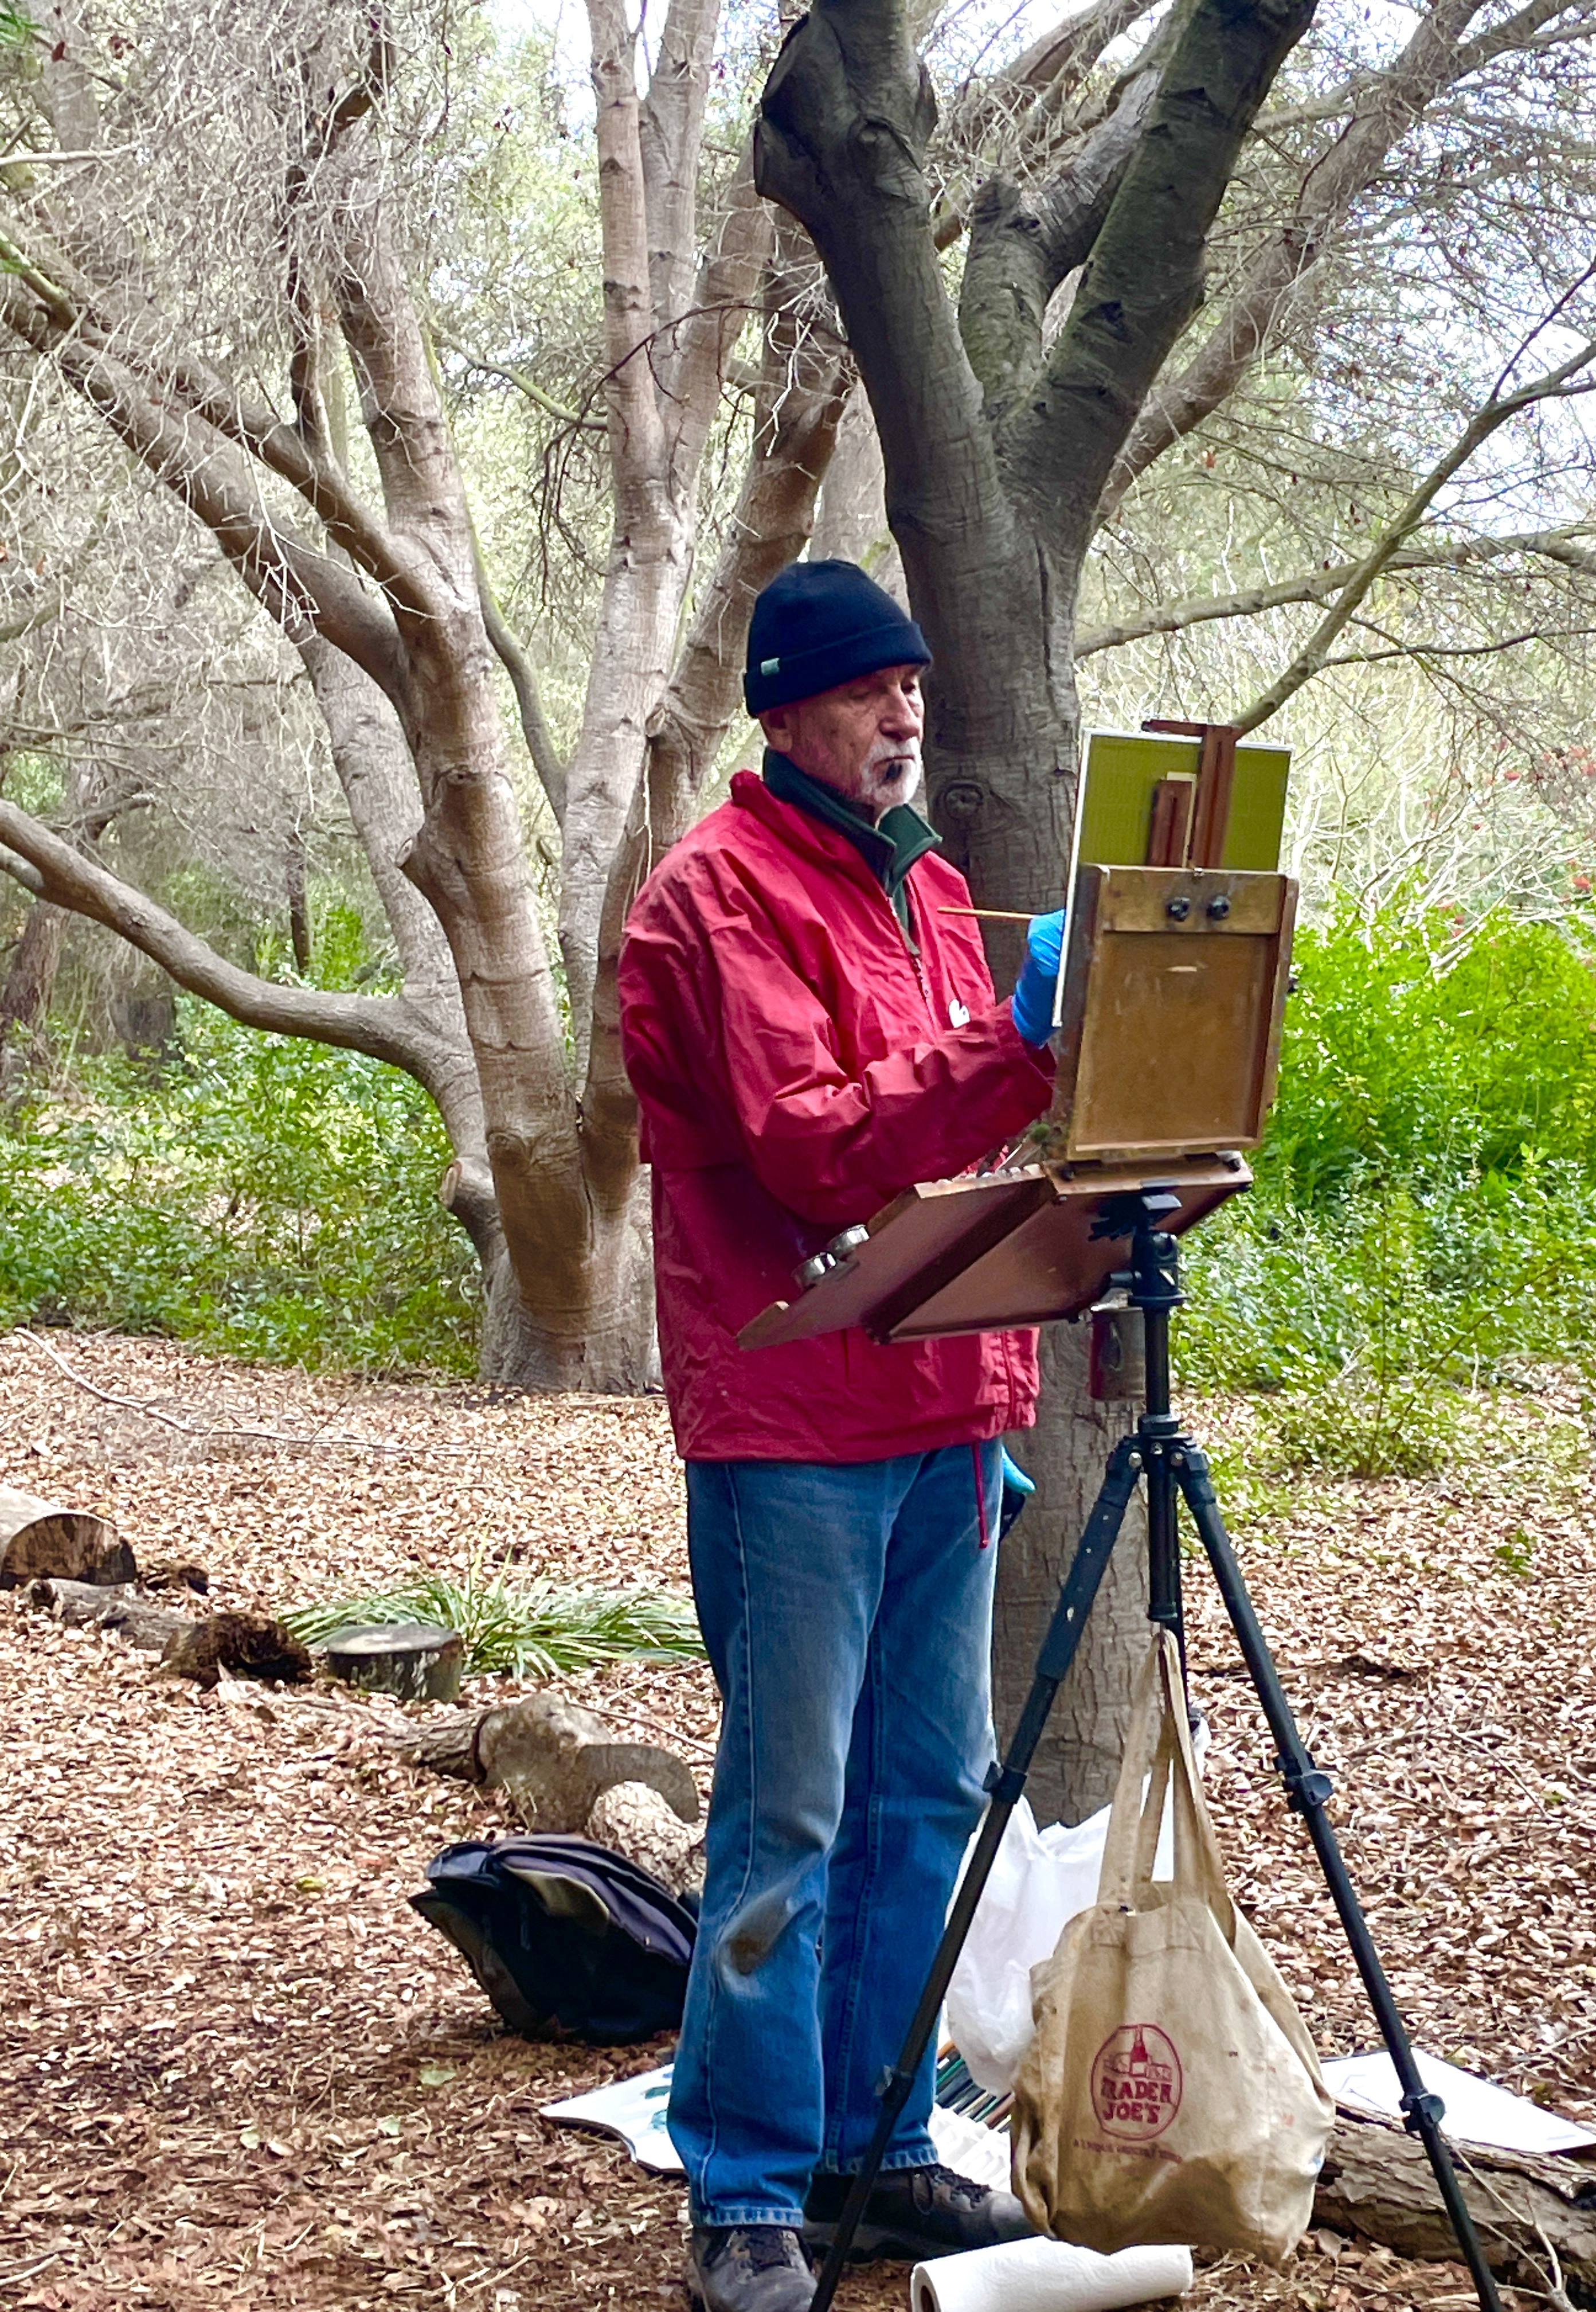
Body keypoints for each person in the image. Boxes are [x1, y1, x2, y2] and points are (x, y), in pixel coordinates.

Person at [619, 560, 1066, 2312]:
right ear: (786, 706)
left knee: (921, 1797)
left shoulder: (935, 888)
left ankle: (876, 2155)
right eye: (875, 689)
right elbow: (815, 1144)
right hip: (793, 1421)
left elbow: (962, 1140)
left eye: (917, 691)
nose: (906, 715)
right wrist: (1013, 1045)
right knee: (789, 1811)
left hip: (948, 1408)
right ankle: (746, 2187)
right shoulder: (712, 902)